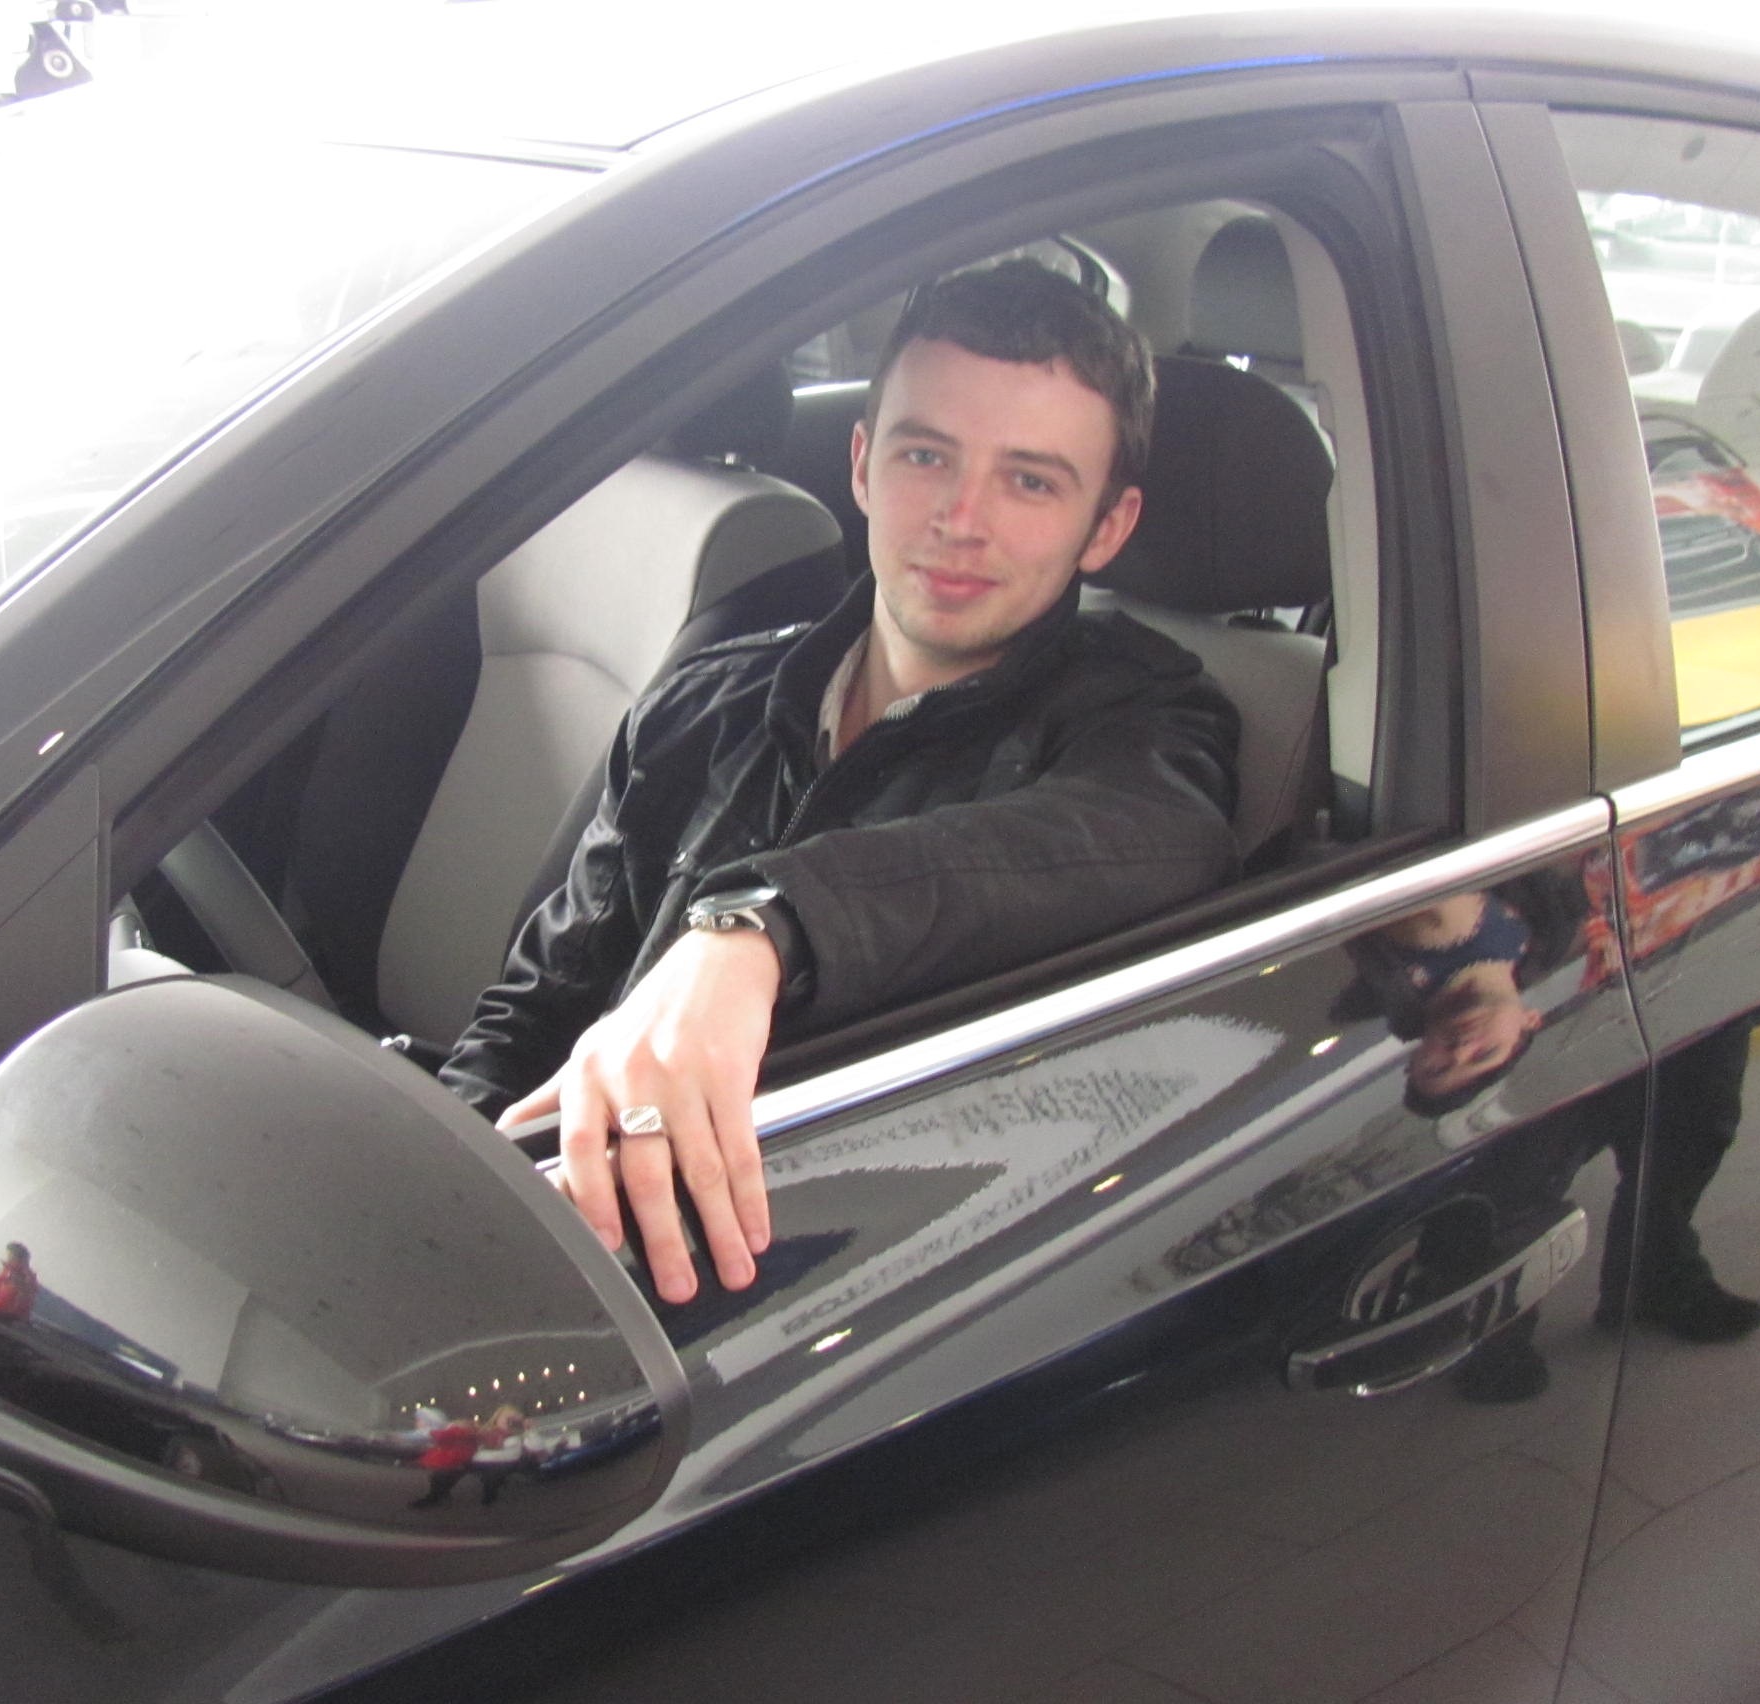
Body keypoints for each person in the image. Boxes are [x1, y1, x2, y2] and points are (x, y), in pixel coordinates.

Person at [441, 259, 1241, 1304]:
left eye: (1030, 482)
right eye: (926, 455)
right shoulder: (707, 700)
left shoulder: (1142, 721)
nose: (961, 517)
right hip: (559, 1249)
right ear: (862, 464)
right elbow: (533, 1009)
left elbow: (1146, 836)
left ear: (1108, 527)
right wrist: (440, 1199)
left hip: (831, 1295)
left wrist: (761, 929)